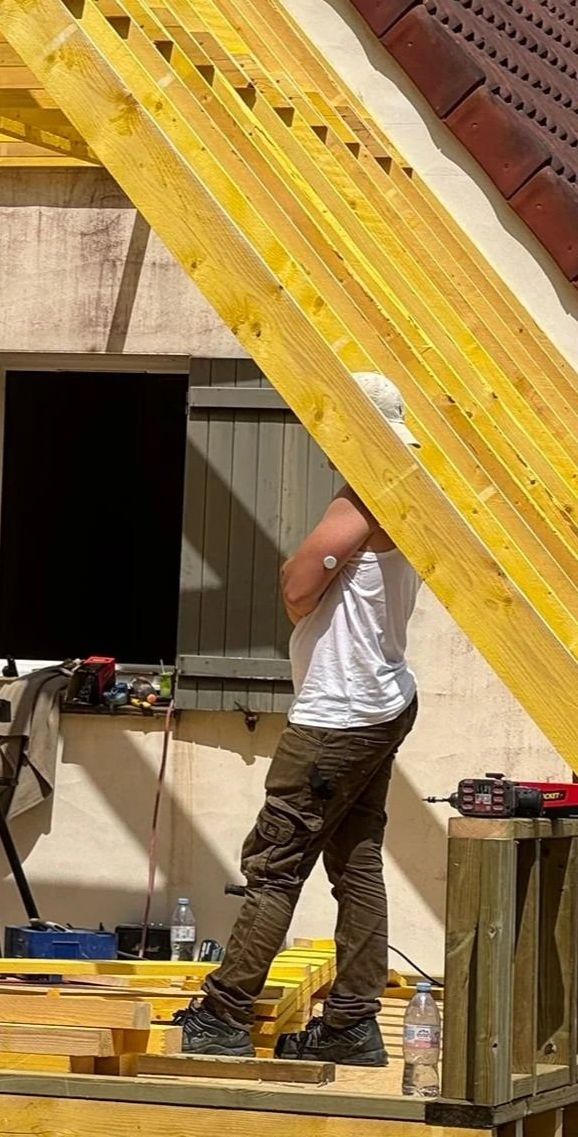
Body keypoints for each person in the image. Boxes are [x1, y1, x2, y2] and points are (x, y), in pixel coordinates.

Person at [179, 372, 423, 1067]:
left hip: (338, 715)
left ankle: (225, 1014)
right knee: (356, 860)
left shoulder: (365, 495)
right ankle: (351, 1025)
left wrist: (298, 581)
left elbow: (298, 583)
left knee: (275, 861)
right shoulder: (409, 494)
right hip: (380, 701)